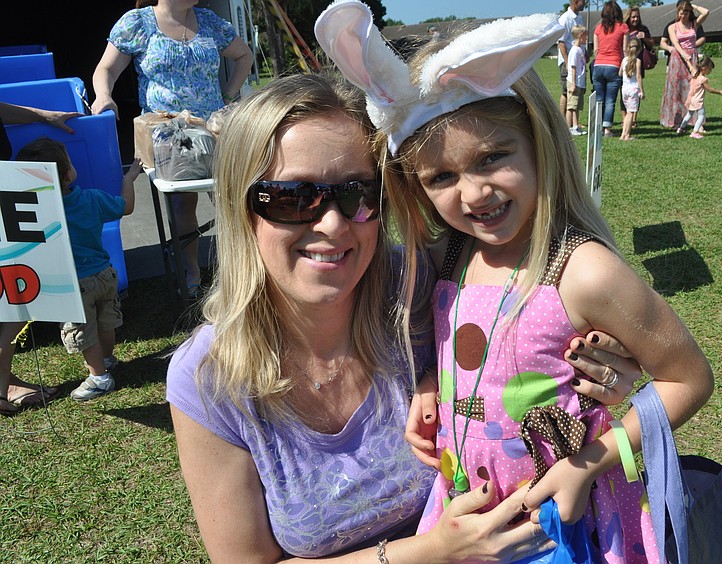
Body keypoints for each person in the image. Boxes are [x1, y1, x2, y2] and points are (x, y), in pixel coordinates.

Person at [165, 71, 639, 561]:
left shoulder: (428, 284)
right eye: (293, 198)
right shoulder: (207, 379)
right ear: (242, 207)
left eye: (357, 193)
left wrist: (598, 367)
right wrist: (429, 552)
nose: (331, 224)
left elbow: (537, 314)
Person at [316, 5, 715, 561]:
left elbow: (689, 379)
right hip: (468, 511)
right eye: (442, 176)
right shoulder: (449, 254)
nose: (475, 193)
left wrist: (590, 463)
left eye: (493, 156)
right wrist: (431, 382)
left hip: (564, 524)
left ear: (538, 143)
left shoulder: (584, 271)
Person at [91, 0, 252, 298]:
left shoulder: (209, 21)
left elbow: (244, 56)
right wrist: (104, 96)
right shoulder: (138, 23)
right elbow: (106, 69)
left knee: (230, 197)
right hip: (168, 136)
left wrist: (229, 96)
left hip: (212, 129)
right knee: (182, 203)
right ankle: (191, 271)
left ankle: (239, 269)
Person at [15, 138, 142, 401]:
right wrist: (129, 178)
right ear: (68, 173)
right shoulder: (92, 199)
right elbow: (125, 207)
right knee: (106, 321)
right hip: (106, 274)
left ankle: (99, 377)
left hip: (74, 283)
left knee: (83, 331)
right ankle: (107, 359)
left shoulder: (41, 210)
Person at [0, 102, 82, 415]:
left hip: (10, 204)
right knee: (11, 313)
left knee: (11, 310)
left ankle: (5, 382)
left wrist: (44, 115)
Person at [659, 1, 710, 130]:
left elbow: (706, 12)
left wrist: (693, 6)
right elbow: (675, 43)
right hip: (677, 58)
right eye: (681, 12)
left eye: (686, 12)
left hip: (692, 57)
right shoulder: (672, 26)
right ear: (677, 12)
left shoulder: (694, 24)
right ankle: (675, 121)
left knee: (695, 89)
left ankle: (697, 122)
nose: (683, 15)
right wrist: (683, 54)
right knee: (675, 90)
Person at [591, 1, 629, 137]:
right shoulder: (623, 27)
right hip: (614, 65)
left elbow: (596, 49)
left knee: (599, 99)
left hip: (598, 65)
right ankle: (607, 129)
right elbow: (625, 49)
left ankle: (597, 127)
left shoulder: (598, 28)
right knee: (610, 100)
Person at [620, 7, 654, 127]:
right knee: (624, 91)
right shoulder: (624, 28)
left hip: (639, 64)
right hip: (625, 63)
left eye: (637, 17)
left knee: (636, 90)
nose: (635, 19)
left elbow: (651, 44)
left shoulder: (643, 29)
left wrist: (644, 37)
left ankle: (634, 118)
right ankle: (625, 118)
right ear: (628, 17)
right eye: (633, 17)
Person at [675, 57, 722, 139]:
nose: (710, 71)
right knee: (701, 116)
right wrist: (719, 92)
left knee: (689, 114)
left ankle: (681, 128)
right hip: (698, 101)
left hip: (691, 99)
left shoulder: (695, 74)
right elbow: (709, 89)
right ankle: (695, 132)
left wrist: (688, 61)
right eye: (710, 69)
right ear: (704, 68)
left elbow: (691, 67)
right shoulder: (703, 79)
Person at [557, 0, 586, 127]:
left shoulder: (579, 16)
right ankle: (562, 121)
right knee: (566, 91)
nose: (585, 3)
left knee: (577, 91)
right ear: (575, 1)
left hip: (578, 61)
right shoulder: (566, 19)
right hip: (568, 61)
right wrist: (568, 62)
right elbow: (561, 42)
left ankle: (574, 122)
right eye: (583, 1)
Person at [619, 38, 644, 141]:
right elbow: (638, 76)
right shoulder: (638, 61)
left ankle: (623, 134)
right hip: (633, 89)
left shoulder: (624, 60)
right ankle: (627, 135)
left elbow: (619, 73)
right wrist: (642, 90)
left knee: (627, 112)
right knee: (630, 113)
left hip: (624, 89)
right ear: (638, 50)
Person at [567, 25, 589, 137]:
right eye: (585, 35)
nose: (587, 37)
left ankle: (575, 126)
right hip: (574, 82)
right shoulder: (574, 51)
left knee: (577, 107)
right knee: (572, 106)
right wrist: (573, 84)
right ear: (580, 35)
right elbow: (573, 67)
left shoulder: (580, 49)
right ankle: (569, 127)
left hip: (580, 82)